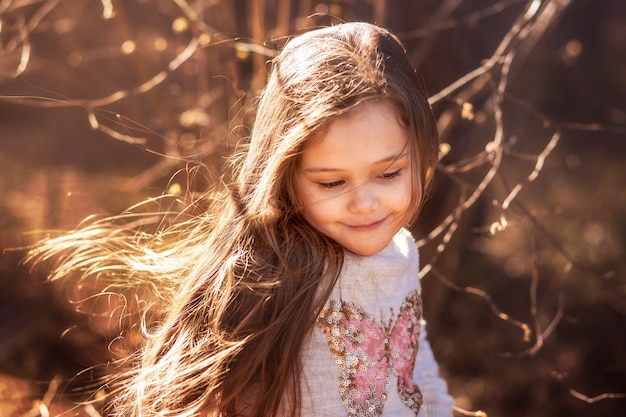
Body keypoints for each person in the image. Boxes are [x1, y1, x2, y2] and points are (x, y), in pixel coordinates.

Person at [30, 22, 454, 417]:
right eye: (331, 183)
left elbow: (415, 366)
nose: (366, 204)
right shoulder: (277, 271)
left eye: (389, 174)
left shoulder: (401, 251)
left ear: (424, 157)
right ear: (284, 177)